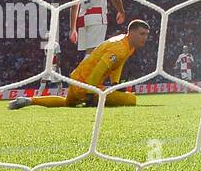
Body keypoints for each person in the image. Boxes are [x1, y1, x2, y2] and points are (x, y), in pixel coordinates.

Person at [9, 20, 150, 109]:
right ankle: (91, 98)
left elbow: (118, 64)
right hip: (86, 85)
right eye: (142, 34)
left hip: (77, 79)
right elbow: (99, 69)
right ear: (130, 32)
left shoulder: (126, 44)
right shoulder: (120, 47)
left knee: (66, 103)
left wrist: (115, 83)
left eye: (146, 35)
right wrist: (89, 92)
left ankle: (29, 101)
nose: (145, 38)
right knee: (132, 99)